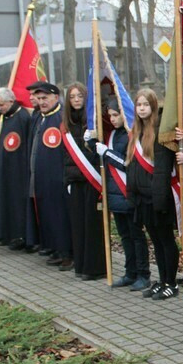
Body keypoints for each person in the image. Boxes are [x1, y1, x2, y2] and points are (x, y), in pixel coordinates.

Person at [126, 88, 180, 300]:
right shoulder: (136, 132)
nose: (141, 109)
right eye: (138, 105)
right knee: (155, 241)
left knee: (166, 240)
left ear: (153, 106)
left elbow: (162, 169)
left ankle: (172, 282)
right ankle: (162, 279)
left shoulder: (160, 131)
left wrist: (159, 200)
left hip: (158, 197)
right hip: (142, 198)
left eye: (145, 105)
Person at [97, 99, 150, 291]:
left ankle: (144, 274)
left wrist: (107, 153)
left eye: (115, 114)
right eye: (110, 115)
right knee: (125, 236)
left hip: (129, 192)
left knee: (136, 236)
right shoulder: (111, 135)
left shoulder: (131, 135)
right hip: (115, 194)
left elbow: (128, 163)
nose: (112, 119)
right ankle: (130, 272)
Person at [62, 82, 106, 280]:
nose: (76, 100)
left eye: (80, 96)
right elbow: (65, 155)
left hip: (93, 179)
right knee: (78, 225)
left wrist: (94, 139)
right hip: (76, 180)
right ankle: (81, 266)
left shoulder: (94, 122)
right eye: (72, 97)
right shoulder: (66, 125)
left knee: (92, 225)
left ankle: (95, 268)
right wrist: (68, 180)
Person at [27, 82, 73, 267]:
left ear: (55, 97)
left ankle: (67, 253)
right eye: (39, 99)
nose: (41, 102)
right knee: (47, 216)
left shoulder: (61, 117)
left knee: (60, 216)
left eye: (45, 98)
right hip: (41, 178)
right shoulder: (40, 117)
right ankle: (55, 248)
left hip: (57, 178)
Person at [0, 87, 32, 249]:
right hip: (2, 166)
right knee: (2, 199)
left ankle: (20, 236)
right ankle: (4, 232)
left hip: (18, 168)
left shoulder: (23, 117)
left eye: (1, 105)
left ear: (11, 101)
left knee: (16, 203)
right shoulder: (1, 116)